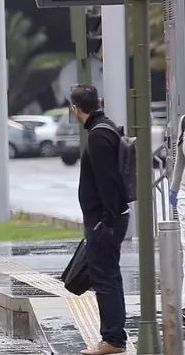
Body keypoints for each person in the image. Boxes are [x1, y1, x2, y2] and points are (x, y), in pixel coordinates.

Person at [70, 84, 130, 355]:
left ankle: (113, 340)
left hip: (104, 221)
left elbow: (108, 182)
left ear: (75, 110)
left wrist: (105, 220)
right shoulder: (106, 128)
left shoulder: (97, 135)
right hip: (107, 219)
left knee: (105, 279)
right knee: (108, 277)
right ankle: (114, 337)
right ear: (99, 102)